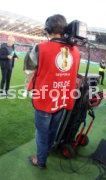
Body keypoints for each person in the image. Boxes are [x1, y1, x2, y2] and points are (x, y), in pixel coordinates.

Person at [28, 14, 80, 169]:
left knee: (42, 134)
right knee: (52, 132)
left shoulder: (40, 48)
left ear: (48, 29)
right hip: (61, 100)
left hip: (44, 100)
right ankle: (46, 152)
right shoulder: (76, 51)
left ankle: (41, 160)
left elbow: (28, 69)